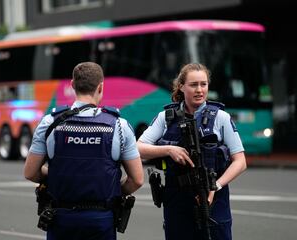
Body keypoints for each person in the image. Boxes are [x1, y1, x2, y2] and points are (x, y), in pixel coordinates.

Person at [24, 62, 144, 240]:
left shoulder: (50, 123)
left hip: (60, 218)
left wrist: (58, 175)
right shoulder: (119, 126)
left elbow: (30, 172)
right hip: (101, 219)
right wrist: (109, 188)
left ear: (72, 85)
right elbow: (137, 180)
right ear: (101, 87)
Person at [137, 63, 247, 240]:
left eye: (203, 84)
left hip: (213, 198)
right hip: (177, 200)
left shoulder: (221, 117)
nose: (199, 90)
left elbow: (240, 162)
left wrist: (215, 187)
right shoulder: (166, 117)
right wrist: (169, 149)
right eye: (193, 84)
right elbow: (138, 148)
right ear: (181, 86)